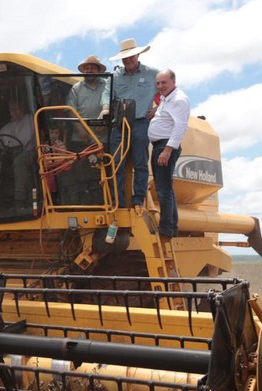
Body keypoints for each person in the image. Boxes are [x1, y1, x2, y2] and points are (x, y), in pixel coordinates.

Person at [108, 38, 158, 209]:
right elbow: (106, 97)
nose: (128, 60)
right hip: (120, 123)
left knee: (140, 163)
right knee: (116, 163)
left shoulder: (152, 74)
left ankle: (138, 199)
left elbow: (170, 92)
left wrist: (158, 109)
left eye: (131, 56)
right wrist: (105, 109)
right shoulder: (114, 77)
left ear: (137, 55)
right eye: (125, 57)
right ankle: (118, 201)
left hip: (141, 122)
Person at [60, 55, 110, 204]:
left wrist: (104, 122)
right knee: (81, 174)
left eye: (92, 68)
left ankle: (101, 203)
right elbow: (70, 110)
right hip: (80, 139)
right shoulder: (76, 88)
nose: (89, 70)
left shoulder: (107, 85)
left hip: (101, 138)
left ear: (98, 70)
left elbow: (111, 105)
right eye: (87, 68)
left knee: (100, 173)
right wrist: (79, 128)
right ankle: (83, 204)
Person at [148, 69, 190, 240]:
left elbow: (180, 127)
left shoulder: (179, 99)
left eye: (164, 82)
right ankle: (171, 226)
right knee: (166, 189)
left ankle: (166, 228)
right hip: (160, 145)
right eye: (158, 83)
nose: (160, 86)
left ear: (173, 81)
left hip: (165, 146)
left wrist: (167, 150)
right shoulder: (167, 99)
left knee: (163, 190)